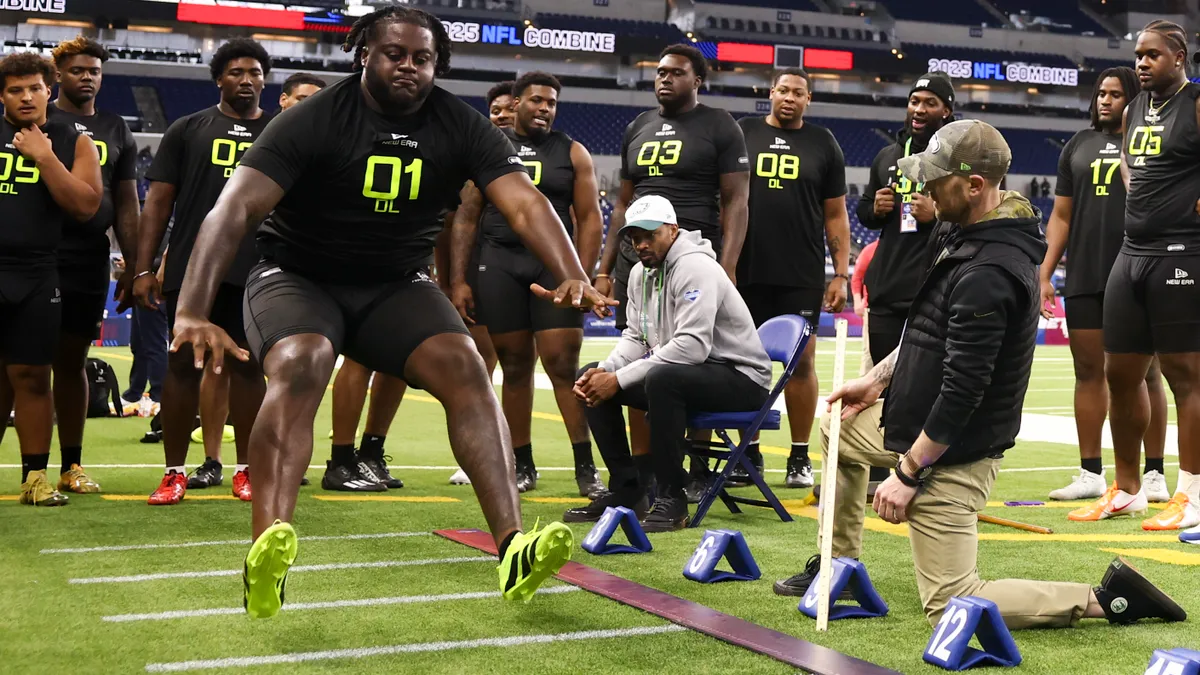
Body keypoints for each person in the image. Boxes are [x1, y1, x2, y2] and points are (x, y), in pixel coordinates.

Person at [167, 7, 610, 616]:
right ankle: (268, 546)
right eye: (394, 54)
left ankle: (512, 549)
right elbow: (233, 210)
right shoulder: (314, 119)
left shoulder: (460, 124)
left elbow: (527, 204)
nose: (408, 66)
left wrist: (573, 274)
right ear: (363, 55)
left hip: (393, 283)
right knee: (303, 359)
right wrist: (191, 309)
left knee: (464, 366)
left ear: (438, 65)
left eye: (422, 58)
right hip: (298, 275)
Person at [773, 118, 1188, 630]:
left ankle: (1107, 598)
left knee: (949, 605)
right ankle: (836, 566)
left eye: (934, 177)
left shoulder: (991, 270)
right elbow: (928, 336)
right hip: (913, 424)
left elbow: (963, 390)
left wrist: (906, 474)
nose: (922, 187)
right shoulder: (962, 231)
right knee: (837, 424)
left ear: (973, 186)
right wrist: (877, 380)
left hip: (952, 454)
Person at [592, 43, 750, 502]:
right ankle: (641, 481)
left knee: (683, 359)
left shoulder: (720, 124)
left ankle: (694, 471)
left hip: (692, 252)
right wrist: (605, 267)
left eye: (676, 72)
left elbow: (736, 200)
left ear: (697, 79)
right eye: (659, 71)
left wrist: (730, 264)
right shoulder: (637, 126)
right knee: (641, 352)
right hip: (640, 253)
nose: (664, 78)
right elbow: (622, 204)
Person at [569, 195, 771, 531]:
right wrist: (607, 370)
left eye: (650, 235)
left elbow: (692, 346)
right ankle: (627, 489)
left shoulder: (696, 267)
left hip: (741, 379)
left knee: (662, 379)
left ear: (673, 230)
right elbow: (636, 338)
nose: (642, 244)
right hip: (690, 375)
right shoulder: (638, 274)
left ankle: (672, 497)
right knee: (591, 375)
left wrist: (618, 380)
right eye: (635, 238)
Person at [450, 71, 605, 497]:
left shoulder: (572, 152)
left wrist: (580, 277)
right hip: (498, 264)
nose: (544, 108)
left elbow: (590, 218)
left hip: (550, 269)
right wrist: (459, 279)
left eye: (551, 103)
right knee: (515, 367)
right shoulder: (489, 146)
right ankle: (521, 463)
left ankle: (585, 466)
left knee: (562, 366)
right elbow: (466, 216)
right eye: (536, 100)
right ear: (515, 103)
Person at [133, 38, 273, 504]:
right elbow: (157, 204)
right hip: (193, 268)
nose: (246, 79)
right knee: (182, 367)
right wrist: (144, 267)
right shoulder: (187, 128)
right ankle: (173, 473)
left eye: (254, 72)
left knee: (249, 368)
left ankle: (246, 471)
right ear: (218, 79)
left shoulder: (280, 131)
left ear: (265, 79)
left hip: (257, 267)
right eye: (236, 72)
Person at [0, 38, 138, 496]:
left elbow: (109, 205)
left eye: (33, 88)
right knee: (14, 370)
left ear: (46, 87)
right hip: (31, 261)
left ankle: (64, 466)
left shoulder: (99, 132)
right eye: (16, 89)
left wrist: (136, 265)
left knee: (63, 363)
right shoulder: (29, 125)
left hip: (73, 265)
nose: (25, 96)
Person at [1088, 20, 1200, 538]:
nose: (1141, 63)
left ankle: (1192, 494)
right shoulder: (1134, 110)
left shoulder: (1195, 102)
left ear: (1178, 57)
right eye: (1137, 55)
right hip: (1132, 253)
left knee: (1185, 375)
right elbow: (1133, 164)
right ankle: (1128, 490)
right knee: (1119, 372)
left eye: (1152, 55)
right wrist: (1141, 192)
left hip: (1183, 251)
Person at [1038, 66, 1171, 504]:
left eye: (1115, 94)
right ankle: (1090, 472)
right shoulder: (1077, 145)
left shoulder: (1149, 141)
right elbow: (1061, 216)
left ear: (1133, 98)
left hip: (1140, 270)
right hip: (1086, 273)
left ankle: (1153, 475)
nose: (1104, 100)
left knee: (1146, 374)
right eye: (1100, 93)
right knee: (1087, 372)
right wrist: (1045, 271)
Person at [733, 67, 849, 489]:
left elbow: (835, 214)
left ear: (808, 100)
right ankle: (749, 452)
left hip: (800, 273)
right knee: (745, 364)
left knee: (801, 364)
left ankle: (800, 456)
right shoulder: (742, 130)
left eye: (798, 92)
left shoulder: (824, 143)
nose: (789, 97)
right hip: (744, 270)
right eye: (783, 90)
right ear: (770, 92)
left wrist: (840, 272)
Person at [854, 71, 956, 493]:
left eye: (930, 102)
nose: (919, 109)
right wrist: (875, 208)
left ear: (946, 110)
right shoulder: (886, 155)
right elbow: (862, 211)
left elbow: (975, 214)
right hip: (889, 284)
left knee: (927, 381)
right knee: (881, 381)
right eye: (914, 100)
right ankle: (886, 460)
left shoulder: (958, 157)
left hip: (933, 287)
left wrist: (939, 216)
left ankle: (929, 463)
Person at [851, 238, 877, 375]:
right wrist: (857, 301)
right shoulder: (870, 250)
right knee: (869, 350)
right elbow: (857, 277)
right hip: (872, 306)